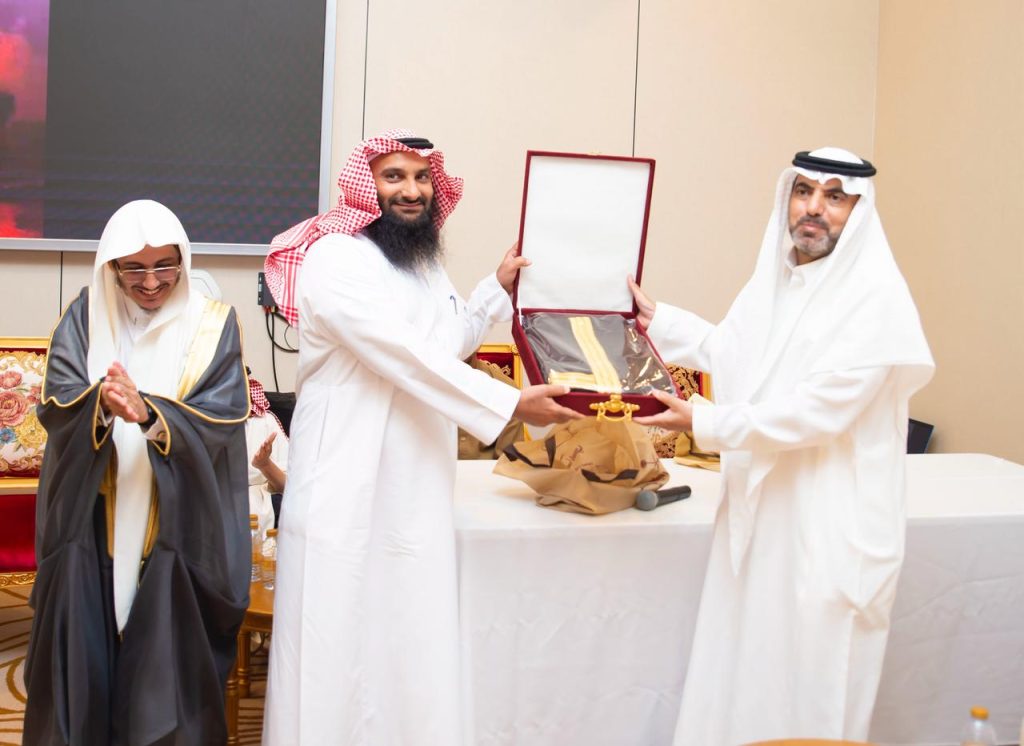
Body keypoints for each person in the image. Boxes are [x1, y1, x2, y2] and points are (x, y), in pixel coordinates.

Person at [261, 129, 580, 745]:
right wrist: (509, 402)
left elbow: (444, 344)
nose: (411, 191)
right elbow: (400, 353)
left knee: (408, 640)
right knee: (335, 643)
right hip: (346, 488)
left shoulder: (423, 265)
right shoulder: (334, 258)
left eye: (421, 178)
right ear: (366, 187)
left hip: (414, 487)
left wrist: (495, 289)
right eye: (394, 177)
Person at [630, 148, 934, 744]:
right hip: (765, 519)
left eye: (834, 196)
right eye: (803, 191)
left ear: (858, 211)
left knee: (812, 683)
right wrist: (654, 318)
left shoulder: (876, 299)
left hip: (830, 530)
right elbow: (730, 352)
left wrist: (704, 421)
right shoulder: (778, 281)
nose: (813, 208)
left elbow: (818, 412)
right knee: (748, 676)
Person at [24, 200, 251, 745]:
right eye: (135, 269)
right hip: (93, 525)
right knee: (88, 672)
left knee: (164, 686)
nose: (151, 283)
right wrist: (101, 405)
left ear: (183, 260)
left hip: (175, 532)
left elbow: (221, 415)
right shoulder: (85, 315)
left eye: (165, 266)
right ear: (112, 267)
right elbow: (58, 399)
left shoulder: (212, 324)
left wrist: (149, 414)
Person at [246, 371, 288, 534]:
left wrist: (264, 464)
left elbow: (287, 487)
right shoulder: (200, 424)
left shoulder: (264, 422)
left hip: (262, 511)